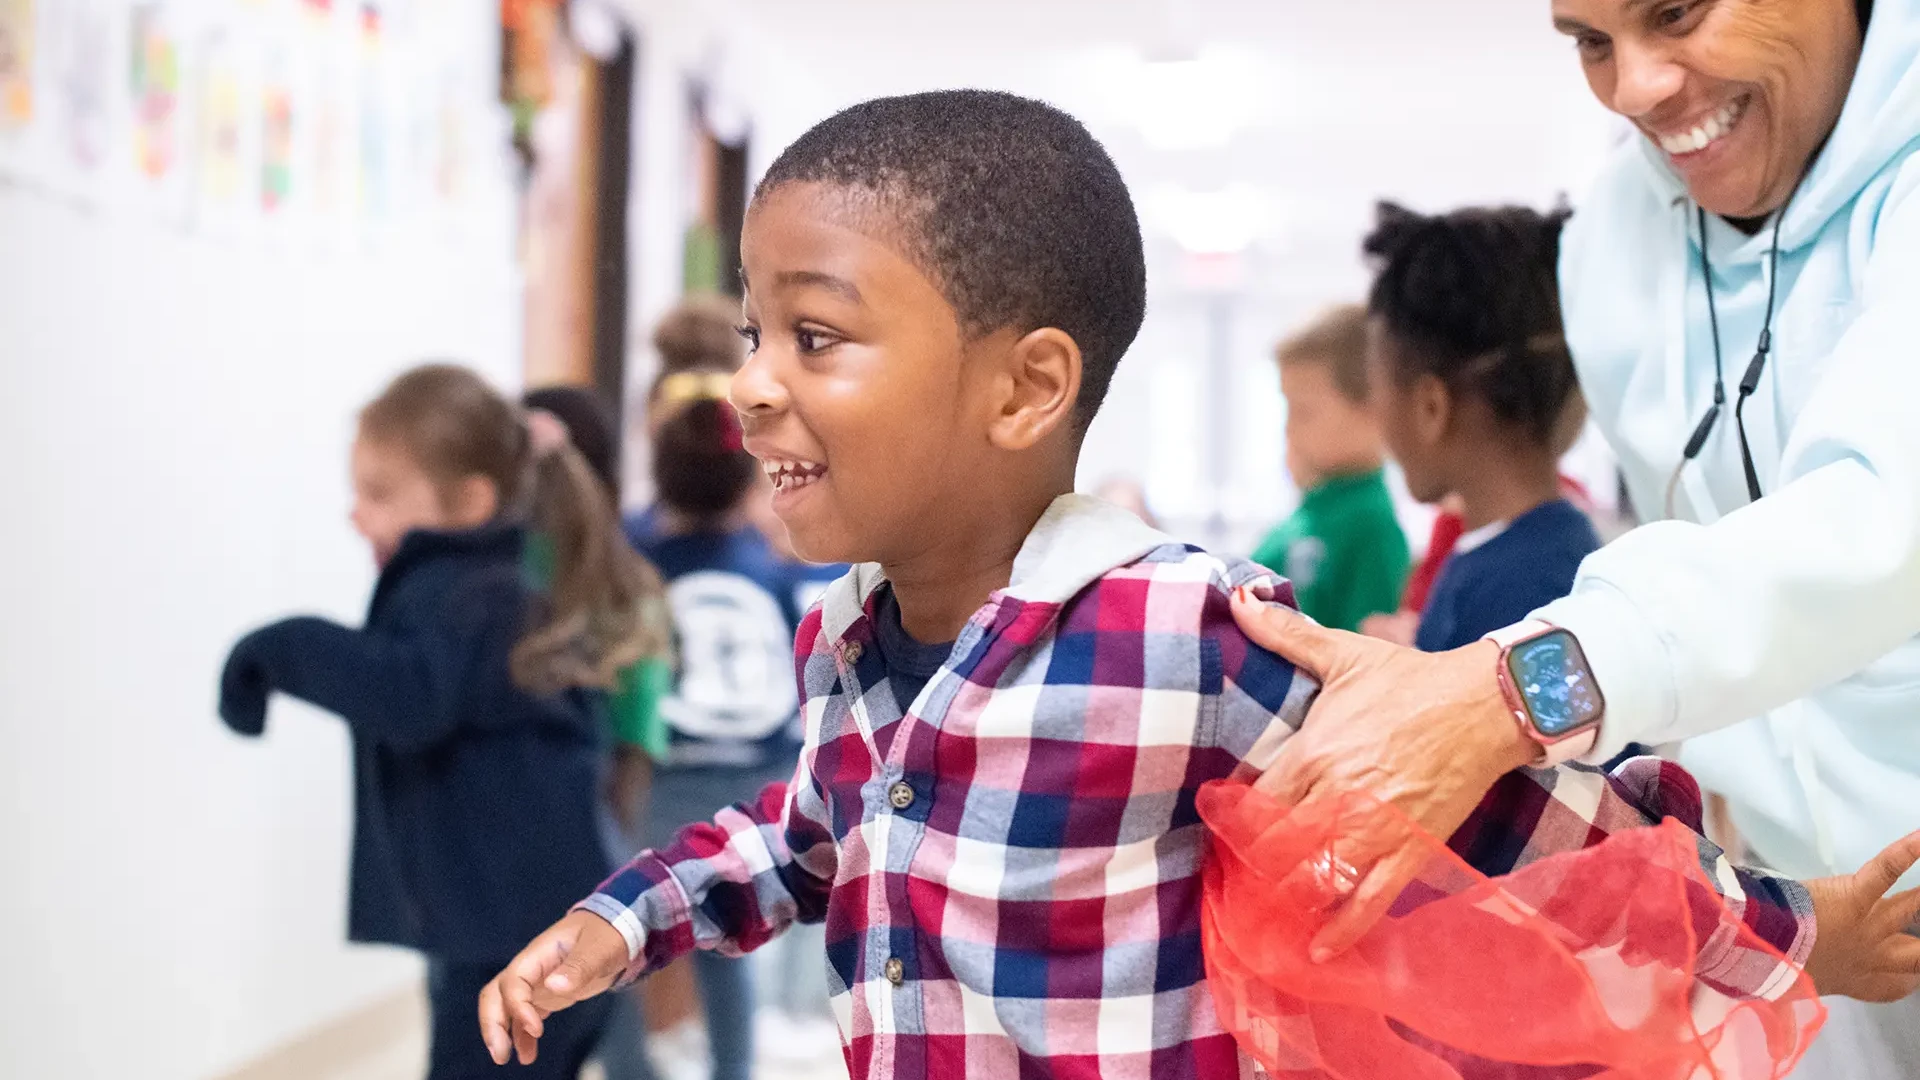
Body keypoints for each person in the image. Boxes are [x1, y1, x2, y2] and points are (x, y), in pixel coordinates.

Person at [473, 90, 1894, 1079]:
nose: (752, 382)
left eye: (813, 335)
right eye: (749, 327)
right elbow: (802, 841)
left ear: (1026, 389)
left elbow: (1529, 830)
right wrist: (622, 921)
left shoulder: (1180, 631)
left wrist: (1796, 931)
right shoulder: (847, 636)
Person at [1234, 3, 1920, 1072]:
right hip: (1823, 917)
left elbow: (1884, 523)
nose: (1637, 85)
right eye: (1589, 41)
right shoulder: (1618, 242)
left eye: (1678, 12)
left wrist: (1505, 693)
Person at [218, 364, 662, 1079]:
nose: (357, 513)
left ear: (469, 500)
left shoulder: (470, 596)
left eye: (380, 493)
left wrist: (274, 651)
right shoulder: (489, 586)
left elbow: (408, 695)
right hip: (533, 927)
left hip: (522, 942)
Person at [618, 367, 809, 1080]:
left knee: (628, 933)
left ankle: (632, 1070)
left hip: (660, 782)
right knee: (728, 944)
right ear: (747, 479)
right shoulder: (775, 567)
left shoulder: (636, 562)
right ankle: (734, 1070)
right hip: (757, 788)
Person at [1251, 304, 1411, 633]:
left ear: (1373, 409)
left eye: (1305, 411)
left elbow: (1361, 654)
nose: (1289, 428)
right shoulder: (1312, 511)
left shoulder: (1372, 528)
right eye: (1288, 408)